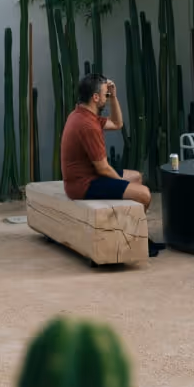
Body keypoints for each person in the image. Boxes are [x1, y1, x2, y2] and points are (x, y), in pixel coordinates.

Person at [60, 73, 163, 256]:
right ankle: (132, 240)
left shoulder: (82, 114)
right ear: (95, 97)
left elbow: (117, 123)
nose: (107, 98)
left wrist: (115, 96)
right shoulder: (87, 125)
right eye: (106, 95)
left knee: (137, 176)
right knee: (144, 195)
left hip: (88, 175)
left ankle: (135, 235)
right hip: (83, 185)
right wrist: (122, 186)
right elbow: (103, 168)